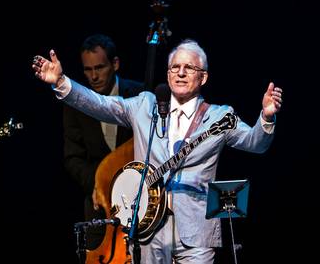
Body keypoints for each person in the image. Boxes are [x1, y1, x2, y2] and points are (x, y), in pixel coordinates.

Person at [32, 39, 283, 264]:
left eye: (190, 68)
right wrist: (62, 83)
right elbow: (100, 105)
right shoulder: (145, 105)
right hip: (148, 228)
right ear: (168, 73)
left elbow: (255, 143)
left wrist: (267, 117)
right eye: (175, 67)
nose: (181, 73)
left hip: (196, 231)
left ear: (203, 77)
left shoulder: (219, 116)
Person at [62, 34, 143, 250]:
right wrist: (100, 183)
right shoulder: (75, 104)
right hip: (100, 206)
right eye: (88, 70)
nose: (94, 76)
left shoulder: (139, 94)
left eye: (100, 67)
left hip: (138, 202)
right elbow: (73, 157)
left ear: (115, 64)